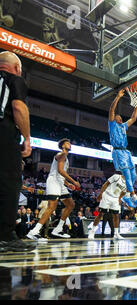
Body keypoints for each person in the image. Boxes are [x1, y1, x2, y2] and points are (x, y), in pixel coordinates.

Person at [0, 51, 35, 252]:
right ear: (16, 68)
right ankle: (5, 236)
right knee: (8, 182)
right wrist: (27, 138)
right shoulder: (14, 80)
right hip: (3, 132)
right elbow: (18, 107)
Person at [27, 138, 80, 241]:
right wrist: (73, 181)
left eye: (70, 142)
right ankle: (33, 232)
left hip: (60, 183)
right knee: (52, 207)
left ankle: (58, 229)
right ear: (62, 146)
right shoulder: (61, 155)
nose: (69, 144)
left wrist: (68, 184)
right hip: (53, 182)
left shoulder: (66, 158)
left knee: (71, 204)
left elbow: (60, 174)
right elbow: (60, 171)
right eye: (67, 143)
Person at [108, 89, 137, 208]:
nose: (119, 117)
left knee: (133, 175)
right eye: (117, 116)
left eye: (120, 116)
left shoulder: (123, 126)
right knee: (126, 173)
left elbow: (133, 118)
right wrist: (118, 97)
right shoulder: (112, 125)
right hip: (117, 150)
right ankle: (134, 197)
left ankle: (126, 195)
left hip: (126, 151)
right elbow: (112, 110)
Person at [88, 173, 127, 240]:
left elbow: (124, 192)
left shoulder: (127, 183)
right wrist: (100, 194)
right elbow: (105, 184)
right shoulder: (116, 177)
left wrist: (119, 197)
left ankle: (116, 233)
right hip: (107, 196)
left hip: (115, 199)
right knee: (100, 214)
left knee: (116, 216)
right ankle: (92, 231)